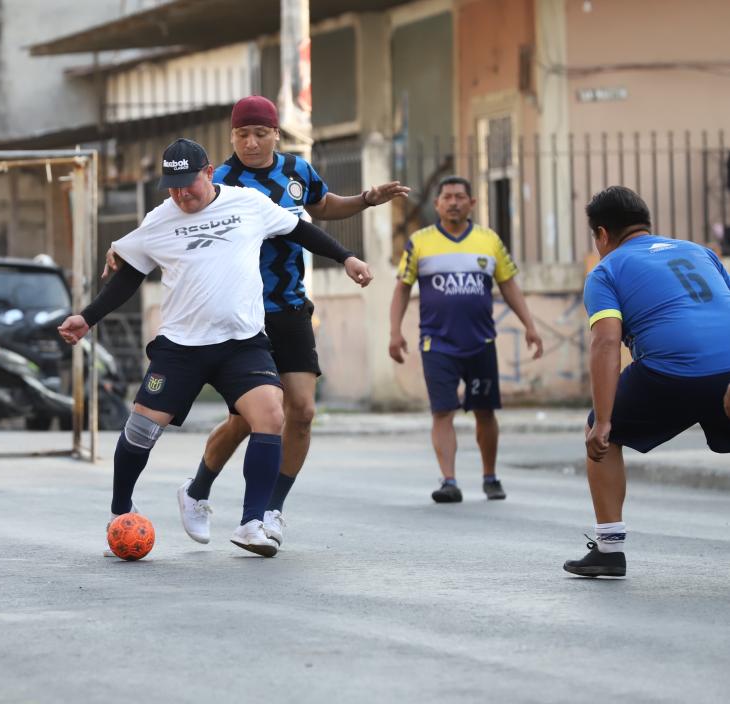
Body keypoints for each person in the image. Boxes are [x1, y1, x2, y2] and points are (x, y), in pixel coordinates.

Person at [105, 95, 408, 548]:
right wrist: (128, 249)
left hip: (287, 305)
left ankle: (269, 512)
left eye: (259, 134)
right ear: (231, 137)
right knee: (251, 417)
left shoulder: (297, 172)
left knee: (301, 411)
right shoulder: (217, 180)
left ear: (275, 135)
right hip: (240, 317)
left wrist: (365, 201)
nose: (250, 142)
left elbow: (321, 209)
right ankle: (198, 488)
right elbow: (168, 224)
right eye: (242, 134)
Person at [60, 137, 372, 557]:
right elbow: (130, 272)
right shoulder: (160, 218)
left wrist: (346, 257)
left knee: (271, 414)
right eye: (172, 186)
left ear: (209, 173)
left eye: (189, 183)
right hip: (181, 346)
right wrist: (89, 316)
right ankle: (120, 512)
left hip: (242, 343)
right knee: (140, 430)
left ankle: (253, 523)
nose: (182, 193)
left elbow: (302, 230)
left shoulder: (248, 203)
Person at [564, 186, 730, 578]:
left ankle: (609, 550)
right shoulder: (700, 252)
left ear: (602, 234)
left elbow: (605, 341)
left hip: (671, 371)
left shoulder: (606, 270)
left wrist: (604, 420)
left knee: (599, 431)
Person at [388, 176, 543, 503]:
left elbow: (509, 285)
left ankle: (490, 476)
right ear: (438, 204)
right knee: (442, 412)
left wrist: (530, 325)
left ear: (472, 203)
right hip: (437, 344)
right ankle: (449, 481)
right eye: (447, 197)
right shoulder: (420, 242)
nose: (454, 202)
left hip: (481, 343)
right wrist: (394, 332)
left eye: (460, 196)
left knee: (484, 412)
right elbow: (402, 288)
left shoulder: (489, 241)